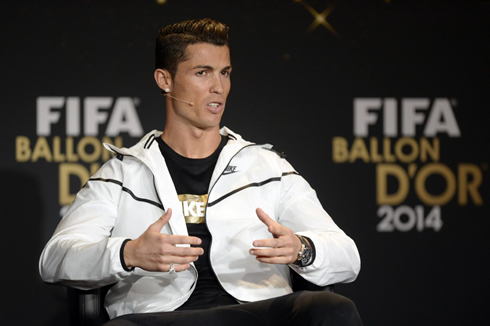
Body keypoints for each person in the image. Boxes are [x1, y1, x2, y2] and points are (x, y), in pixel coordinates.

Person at [39, 18, 362, 325]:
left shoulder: (266, 166)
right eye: (202, 73)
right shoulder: (123, 173)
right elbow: (55, 259)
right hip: (157, 316)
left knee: (331, 309)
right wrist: (128, 253)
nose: (218, 87)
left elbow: (347, 256)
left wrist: (301, 248)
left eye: (225, 72)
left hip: (253, 312)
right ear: (165, 80)